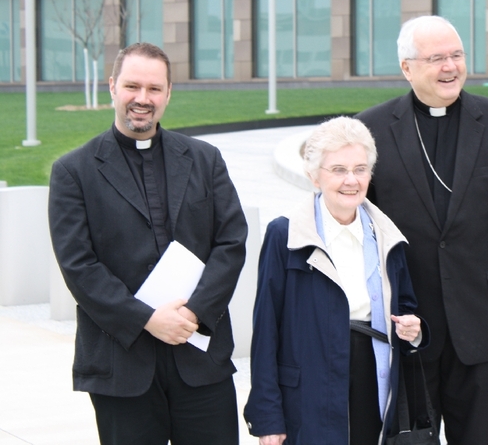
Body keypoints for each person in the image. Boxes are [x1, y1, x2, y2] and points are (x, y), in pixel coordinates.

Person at [356, 15, 488, 444]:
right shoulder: (371, 128)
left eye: (457, 55)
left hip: (482, 322)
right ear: (407, 68)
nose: (450, 67)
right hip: (406, 323)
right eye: (437, 58)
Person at [48, 43, 248, 445]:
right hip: (121, 364)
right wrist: (147, 319)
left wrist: (194, 312)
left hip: (200, 358)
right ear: (112, 87)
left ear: (169, 93)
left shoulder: (205, 159)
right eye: (132, 86)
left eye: (154, 89)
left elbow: (232, 241)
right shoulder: (73, 171)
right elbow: (79, 267)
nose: (143, 99)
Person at [243, 116, 427, 445]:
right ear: (315, 176)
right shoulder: (285, 236)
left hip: (373, 381)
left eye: (360, 169)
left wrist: (413, 328)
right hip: (309, 385)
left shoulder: (387, 237)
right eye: (338, 170)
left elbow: (407, 307)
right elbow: (267, 330)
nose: (351, 180)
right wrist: (268, 417)